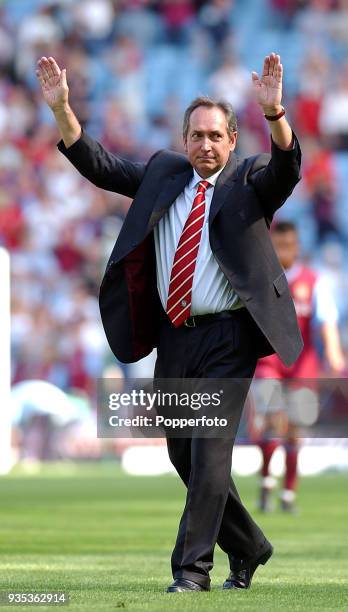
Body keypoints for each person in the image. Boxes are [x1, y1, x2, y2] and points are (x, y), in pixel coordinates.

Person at [36, 52, 303, 593]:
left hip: (231, 336)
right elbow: (102, 165)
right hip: (175, 337)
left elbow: (287, 168)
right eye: (197, 135)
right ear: (185, 141)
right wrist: (63, 111)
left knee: (209, 450)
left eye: (216, 136)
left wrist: (275, 114)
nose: (206, 145)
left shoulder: (249, 179)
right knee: (185, 453)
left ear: (231, 141)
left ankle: (191, 573)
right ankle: (250, 546)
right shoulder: (163, 173)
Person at [254, 221, 345, 513]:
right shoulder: (259, 279)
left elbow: (325, 321)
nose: (285, 251)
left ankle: (288, 493)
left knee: (295, 430)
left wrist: (333, 353)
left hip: (303, 366)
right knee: (272, 421)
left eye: (289, 245)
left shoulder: (313, 282)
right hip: (269, 364)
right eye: (279, 245)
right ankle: (267, 480)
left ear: (297, 247)